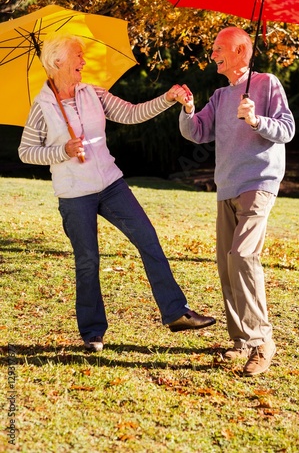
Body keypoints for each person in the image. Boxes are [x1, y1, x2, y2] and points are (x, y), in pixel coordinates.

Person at [18, 33, 216, 352]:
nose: (83, 61)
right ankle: (93, 333)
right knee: (88, 260)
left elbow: (130, 114)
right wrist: (61, 150)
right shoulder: (42, 106)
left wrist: (167, 98)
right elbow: (26, 151)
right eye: (78, 56)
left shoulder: (92, 93)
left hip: (111, 185)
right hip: (74, 194)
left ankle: (176, 313)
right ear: (57, 62)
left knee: (148, 238)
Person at [175, 26, 295, 376]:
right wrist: (187, 109)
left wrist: (257, 119)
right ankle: (241, 339)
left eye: (219, 49)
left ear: (241, 51)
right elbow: (196, 132)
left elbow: (286, 129)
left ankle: (262, 341)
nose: (213, 55)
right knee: (226, 264)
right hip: (226, 185)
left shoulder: (267, 83)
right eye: (213, 50)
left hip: (259, 182)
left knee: (242, 256)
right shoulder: (220, 95)